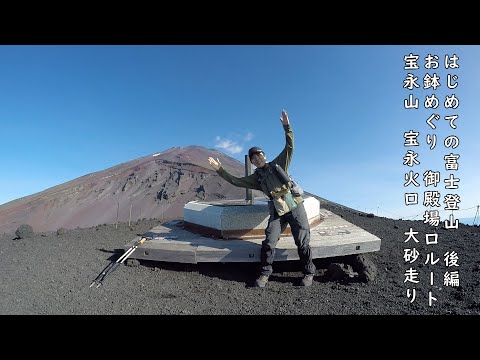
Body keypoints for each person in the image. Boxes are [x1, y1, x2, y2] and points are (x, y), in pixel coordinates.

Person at [208, 110, 316, 287]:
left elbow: (290, 147)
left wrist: (287, 127)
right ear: (251, 162)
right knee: (269, 241)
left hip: (294, 204)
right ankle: (265, 274)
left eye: (258, 154)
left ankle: (308, 272)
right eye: (253, 157)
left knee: (302, 240)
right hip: (277, 209)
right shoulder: (256, 178)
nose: (256, 158)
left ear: (264, 155)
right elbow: (235, 181)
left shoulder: (278, 164)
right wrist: (219, 169)